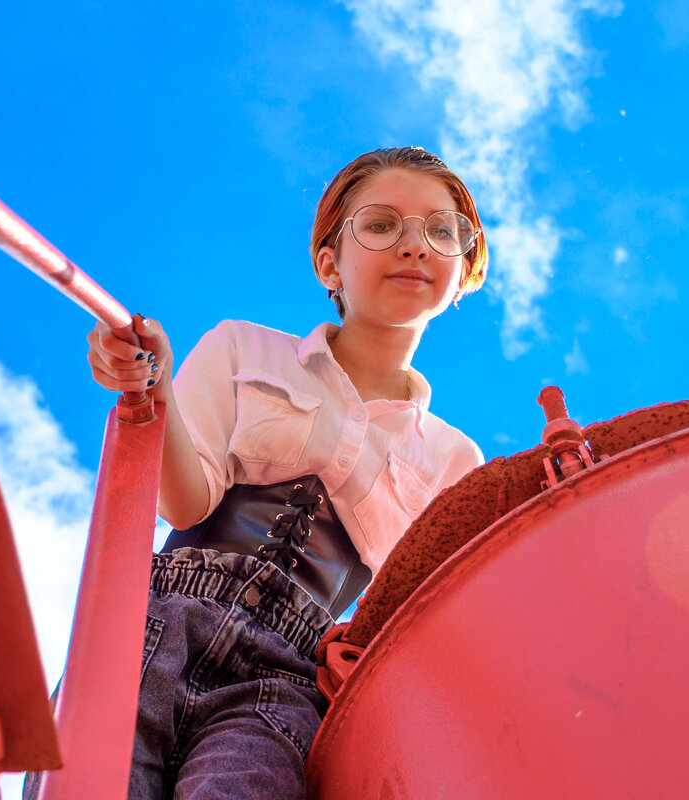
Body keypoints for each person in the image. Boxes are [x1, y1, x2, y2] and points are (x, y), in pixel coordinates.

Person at [25, 146, 488, 799]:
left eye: (442, 232)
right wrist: (151, 389)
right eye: (383, 225)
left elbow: (419, 628)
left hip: (288, 676)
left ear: (463, 266)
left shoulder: (456, 461)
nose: (415, 244)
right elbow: (185, 503)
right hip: (157, 621)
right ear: (331, 262)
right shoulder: (245, 348)